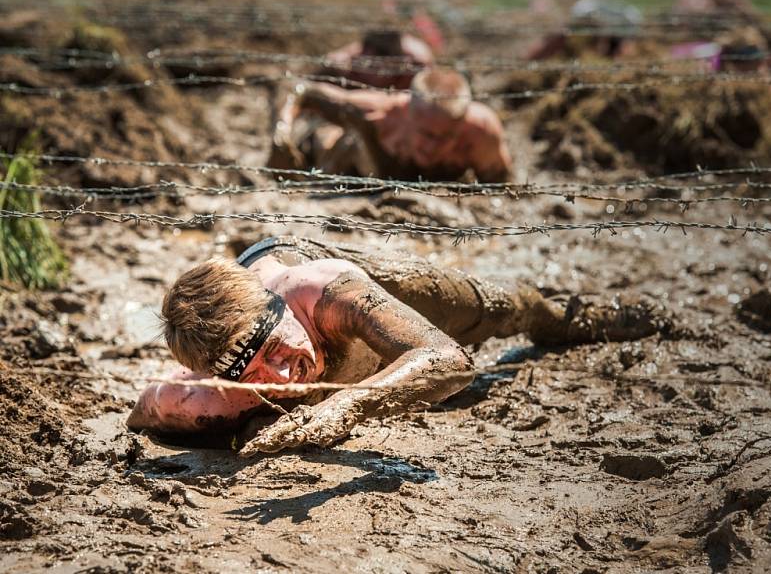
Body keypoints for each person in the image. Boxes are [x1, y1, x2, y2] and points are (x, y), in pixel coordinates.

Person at [127, 236, 668, 456]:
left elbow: (452, 361)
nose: (284, 377)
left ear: (283, 309)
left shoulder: (328, 292)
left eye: (277, 348)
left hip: (354, 275)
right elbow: (143, 411)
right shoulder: (214, 392)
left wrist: (350, 402)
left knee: (505, 309)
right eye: (254, 373)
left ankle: (572, 316)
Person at [268, 67, 513, 182]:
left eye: (446, 136)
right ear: (407, 112)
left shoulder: (481, 133)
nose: (433, 147)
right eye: (426, 134)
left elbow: (502, 188)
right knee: (332, 140)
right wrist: (281, 131)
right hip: (344, 159)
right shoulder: (378, 115)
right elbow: (297, 89)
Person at [323, 29, 434, 90]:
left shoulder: (418, 63)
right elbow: (333, 58)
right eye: (366, 65)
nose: (367, 73)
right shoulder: (359, 54)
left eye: (373, 67)